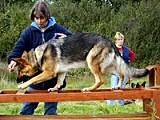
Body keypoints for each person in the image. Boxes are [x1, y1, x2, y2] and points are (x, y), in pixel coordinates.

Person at [7, 1, 72, 115]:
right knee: (26, 111)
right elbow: (19, 47)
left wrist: (67, 39)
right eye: (36, 18)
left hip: (53, 82)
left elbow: (73, 40)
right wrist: (13, 60)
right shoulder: (28, 32)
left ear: (47, 16)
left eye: (42, 18)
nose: (39, 21)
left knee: (50, 113)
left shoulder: (58, 29)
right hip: (34, 81)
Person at [107, 32, 135, 106]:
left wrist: (128, 60)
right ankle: (110, 105)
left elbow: (132, 56)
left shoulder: (126, 49)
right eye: (119, 39)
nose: (120, 41)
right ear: (116, 40)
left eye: (122, 39)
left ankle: (121, 104)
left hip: (125, 72)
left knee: (122, 89)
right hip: (115, 72)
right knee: (113, 88)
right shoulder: (112, 49)